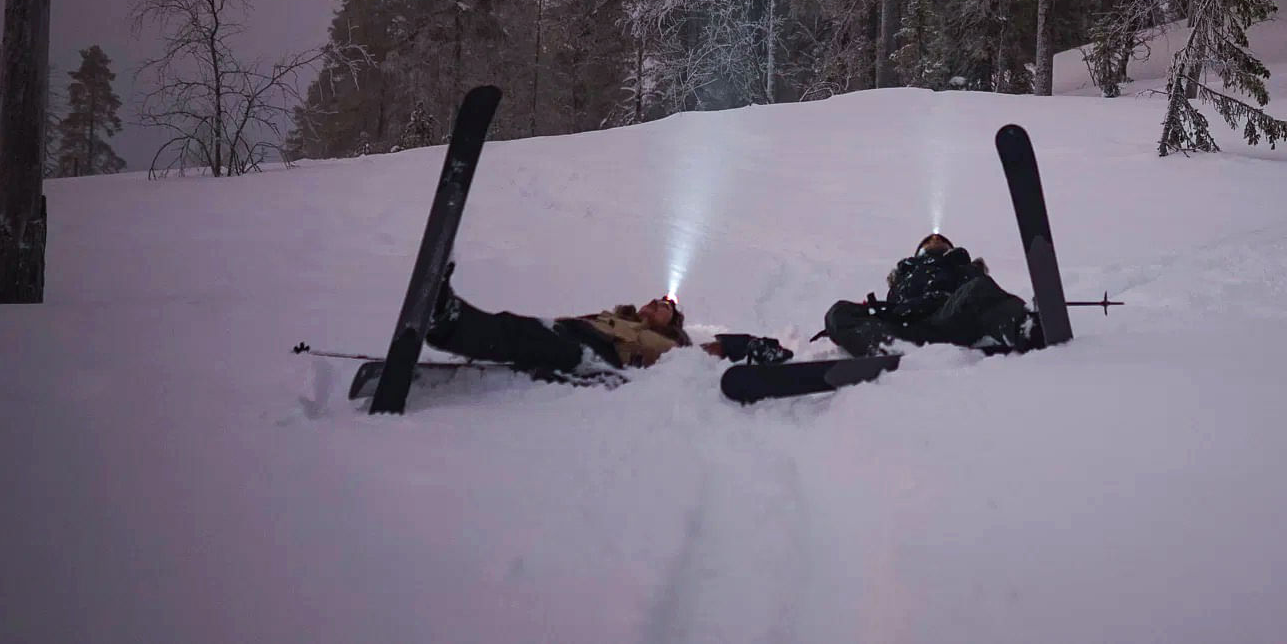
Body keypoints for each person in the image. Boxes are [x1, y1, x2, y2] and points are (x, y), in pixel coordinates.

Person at [425, 265, 793, 377]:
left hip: (595, 354)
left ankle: (447, 320)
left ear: (674, 323)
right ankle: (448, 318)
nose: (657, 303)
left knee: (520, 334)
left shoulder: (675, 346)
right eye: (655, 300)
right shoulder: (614, 317)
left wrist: (751, 345)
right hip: (573, 334)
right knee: (519, 329)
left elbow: (708, 352)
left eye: (665, 307)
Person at [819, 232, 1039, 358]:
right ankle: (886, 347)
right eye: (928, 241)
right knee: (839, 311)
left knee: (979, 289)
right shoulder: (903, 276)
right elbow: (892, 306)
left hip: (948, 319)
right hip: (906, 330)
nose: (934, 241)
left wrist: (969, 272)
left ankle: (1026, 328)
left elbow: (985, 298)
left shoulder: (962, 266)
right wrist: (874, 312)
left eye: (940, 241)